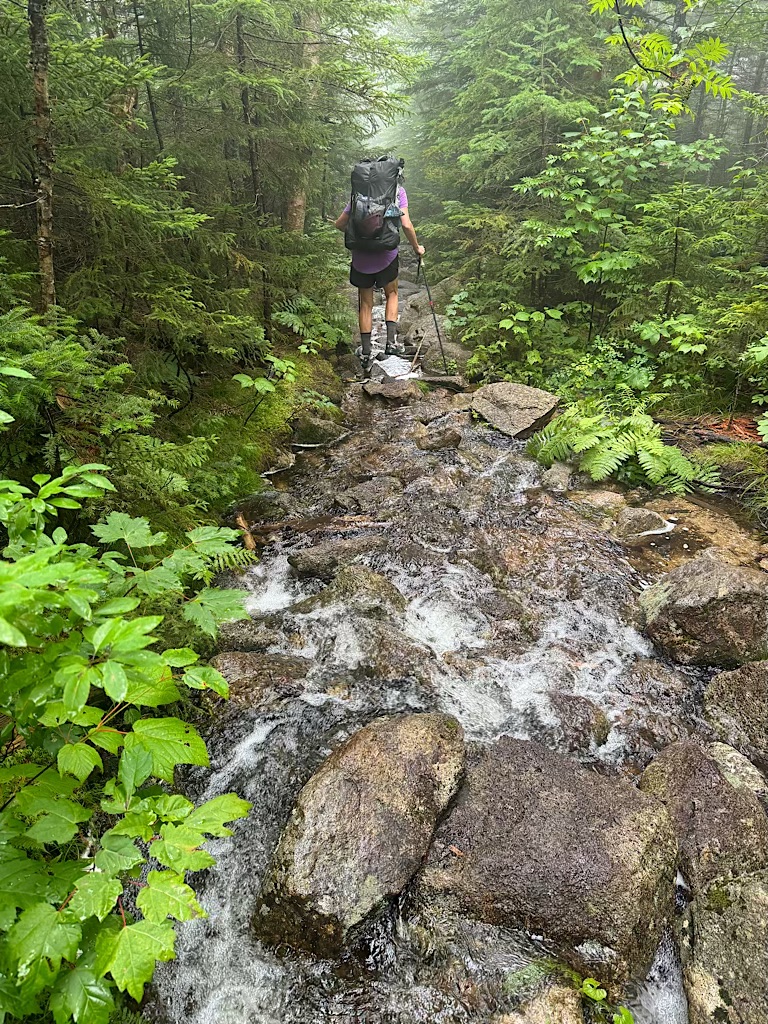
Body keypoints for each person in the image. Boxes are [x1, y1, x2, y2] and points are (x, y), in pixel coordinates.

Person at [334, 178, 425, 371]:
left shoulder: (358, 194)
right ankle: (391, 343)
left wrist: (358, 236)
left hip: (361, 258)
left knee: (366, 304)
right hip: (386, 255)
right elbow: (407, 225)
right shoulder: (397, 192)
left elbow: (340, 223)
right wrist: (417, 248)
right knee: (392, 294)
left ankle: (366, 353)